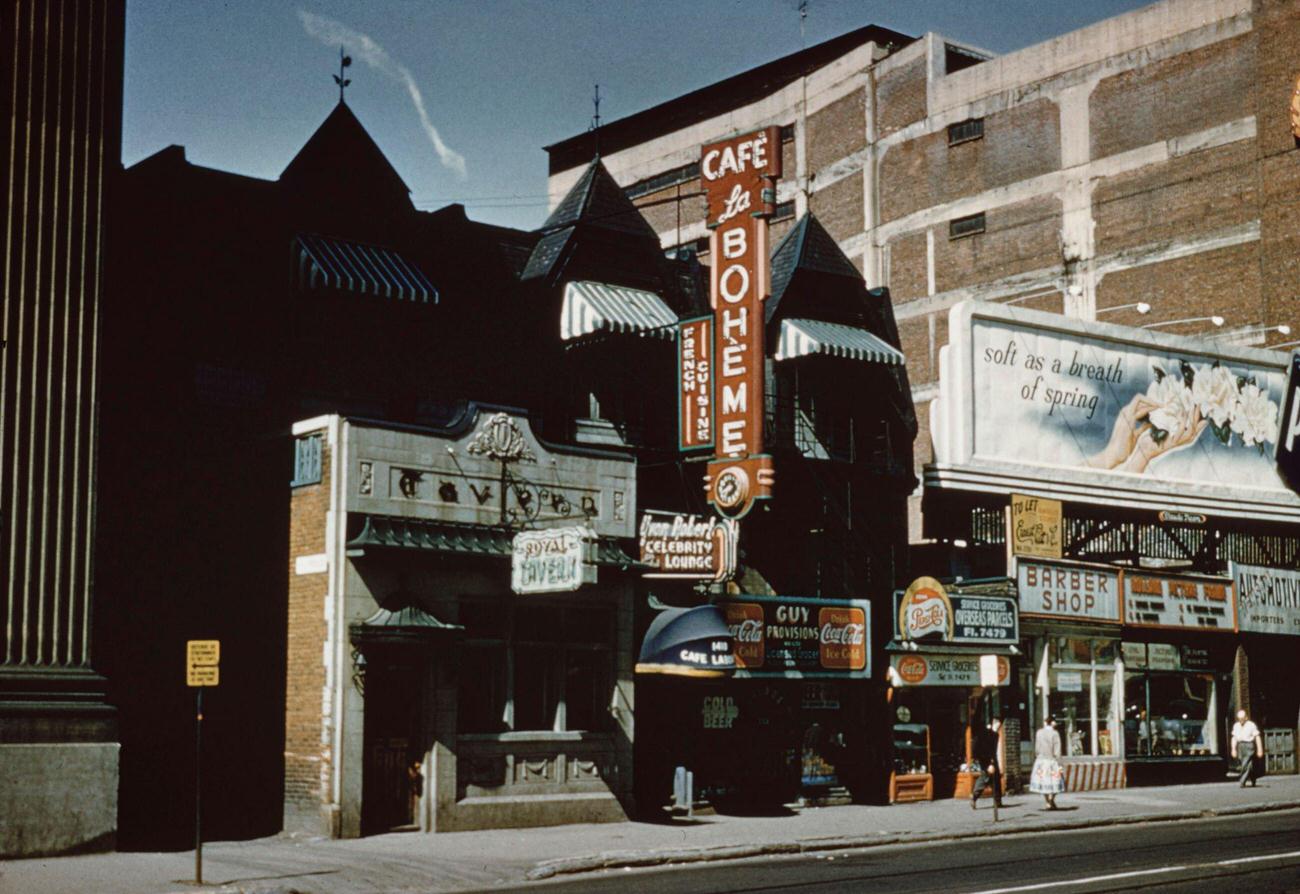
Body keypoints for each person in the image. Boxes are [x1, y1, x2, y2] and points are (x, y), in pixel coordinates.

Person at [1029, 716, 1066, 809]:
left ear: (1045, 722)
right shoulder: (1055, 733)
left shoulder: (1039, 732)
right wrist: (1058, 760)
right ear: (1053, 723)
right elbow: (1057, 749)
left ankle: (1048, 802)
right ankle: (1051, 800)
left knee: (1042, 782)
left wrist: (1038, 755)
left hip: (1041, 760)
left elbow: (1037, 747)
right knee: (1056, 782)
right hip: (1051, 760)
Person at [970, 717, 1004, 810]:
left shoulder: (995, 735)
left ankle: (998, 801)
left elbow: (993, 751)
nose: (999, 727)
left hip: (992, 760)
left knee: (996, 779)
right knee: (984, 778)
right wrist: (988, 764)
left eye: (1000, 726)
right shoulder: (986, 734)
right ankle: (974, 797)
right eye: (998, 725)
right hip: (986, 760)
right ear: (994, 723)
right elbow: (984, 750)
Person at [1231, 709, 1262, 787]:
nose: (1240, 720)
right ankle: (1253, 777)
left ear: (1246, 718)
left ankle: (1242, 781)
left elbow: (1257, 736)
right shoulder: (1236, 725)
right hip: (1240, 746)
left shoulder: (1251, 725)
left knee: (1246, 763)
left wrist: (1260, 749)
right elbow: (1234, 738)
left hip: (1249, 745)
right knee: (1246, 764)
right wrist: (1233, 749)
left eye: (1242, 718)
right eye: (1239, 719)